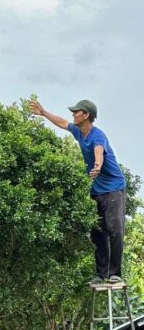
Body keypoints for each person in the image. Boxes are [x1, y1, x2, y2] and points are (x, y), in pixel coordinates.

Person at [30, 99, 126, 285]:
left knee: (115, 230)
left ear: (86, 115)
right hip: (96, 189)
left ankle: (115, 273)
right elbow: (62, 123)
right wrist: (44, 112)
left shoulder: (98, 135)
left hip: (114, 188)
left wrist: (97, 166)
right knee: (98, 232)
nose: (73, 115)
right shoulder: (79, 131)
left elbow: (99, 152)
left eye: (77, 112)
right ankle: (101, 274)